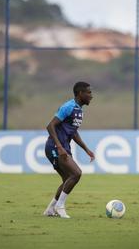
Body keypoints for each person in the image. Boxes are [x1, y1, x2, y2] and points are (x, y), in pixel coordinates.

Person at [43, 81, 95, 218]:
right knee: (76, 173)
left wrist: (86, 149)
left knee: (68, 179)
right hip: (55, 147)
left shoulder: (79, 110)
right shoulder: (69, 107)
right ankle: (60, 206)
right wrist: (59, 147)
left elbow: (73, 132)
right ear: (80, 93)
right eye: (89, 92)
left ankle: (50, 209)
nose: (91, 96)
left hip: (64, 147)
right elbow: (50, 126)